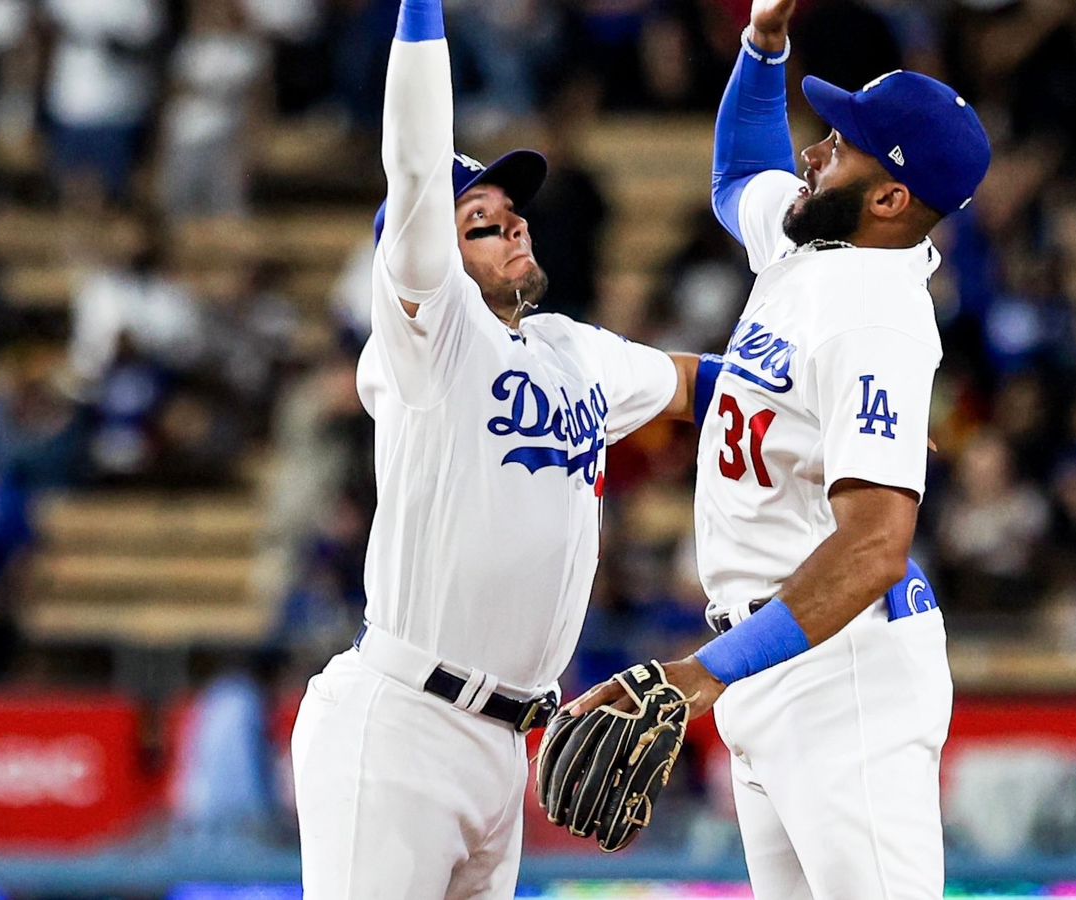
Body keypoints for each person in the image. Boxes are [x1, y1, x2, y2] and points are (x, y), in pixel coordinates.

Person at [567, 0, 991, 897]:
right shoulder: (811, 244)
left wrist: (698, 678)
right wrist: (763, 44)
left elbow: (875, 548)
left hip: (843, 677)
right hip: (767, 660)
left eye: (840, 144)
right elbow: (736, 174)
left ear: (889, 199)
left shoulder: (878, 317)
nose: (813, 149)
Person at [286, 1, 700, 896]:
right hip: (403, 728)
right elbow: (412, 165)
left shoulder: (570, 347)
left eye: (512, 212)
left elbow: (706, 384)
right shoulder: (432, 340)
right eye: (480, 220)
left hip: (507, 745)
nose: (512, 225)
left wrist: (816, 381)